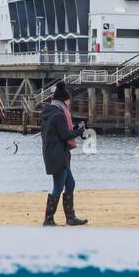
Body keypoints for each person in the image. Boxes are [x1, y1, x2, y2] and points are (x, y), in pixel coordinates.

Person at [40, 81, 87, 226]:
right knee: (58, 187)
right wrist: (79, 131)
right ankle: (48, 220)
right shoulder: (59, 115)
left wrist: (73, 128)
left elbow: (60, 131)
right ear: (64, 100)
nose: (69, 103)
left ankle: (70, 218)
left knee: (70, 184)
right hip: (57, 155)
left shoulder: (51, 112)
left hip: (56, 154)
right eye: (68, 100)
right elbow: (66, 135)